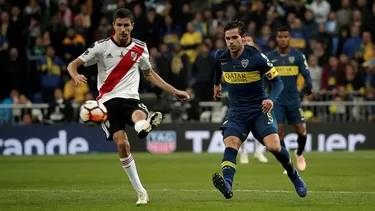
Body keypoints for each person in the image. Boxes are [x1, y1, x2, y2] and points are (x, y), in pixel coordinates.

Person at [67, 8, 189, 206]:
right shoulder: (101, 46)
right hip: (106, 103)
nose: (123, 29)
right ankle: (141, 191)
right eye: (119, 25)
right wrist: (75, 75)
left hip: (130, 97)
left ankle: (143, 126)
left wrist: (174, 90)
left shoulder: (140, 47)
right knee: (122, 144)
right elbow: (73, 64)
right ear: (113, 25)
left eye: (126, 25)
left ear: (132, 25)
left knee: (137, 113)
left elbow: (149, 74)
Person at [212, 20, 307, 199]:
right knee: (230, 143)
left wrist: (271, 99)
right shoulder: (221, 56)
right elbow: (218, 68)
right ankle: (227, 184)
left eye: (234, 38)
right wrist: (216, 85)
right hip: (237, 112)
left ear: (243, 38)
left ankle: (294, 176)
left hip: (259, 111)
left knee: (274, 146)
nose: (230, 42)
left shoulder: (256, 57)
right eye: (227, 39)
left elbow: (277, 82)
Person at [266, 27, 312, 174]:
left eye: (286, 36)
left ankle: (299, 153)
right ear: (277, 39)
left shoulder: (298, 56)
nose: (283, 39)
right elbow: (264, 79)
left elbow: (307, 76)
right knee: (279, 132)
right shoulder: (270, 57)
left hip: (293, 99)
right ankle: (288, 162)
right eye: (280, 36)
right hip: (277, 100)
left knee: (301, 131)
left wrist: (306, 88)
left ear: (289, 38)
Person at [238, 35, 268, 164]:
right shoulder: (236, 58)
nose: (246, 43)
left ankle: (258, 151)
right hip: (241, 98)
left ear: (254, 43)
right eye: (244, 41)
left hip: (257, 97)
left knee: (259, 126)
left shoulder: (260, 58)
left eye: (249, 40)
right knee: (242, 127)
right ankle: (243, 152)